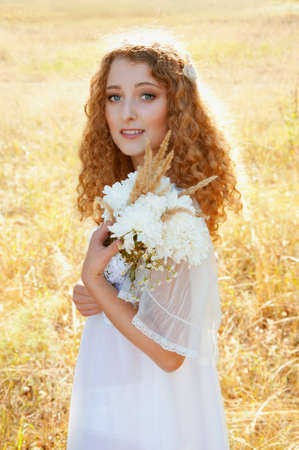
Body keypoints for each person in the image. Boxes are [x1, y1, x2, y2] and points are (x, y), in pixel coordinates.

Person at [67, 29, 242, 450]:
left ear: (177, 108)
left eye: (147, 95)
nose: (127, 113)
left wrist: (95, 282)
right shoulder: (132, 194)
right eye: (114, 97)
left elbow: (169, 354)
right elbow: (138, 297)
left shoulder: (174, 211)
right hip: (114, 381)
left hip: (152, 404)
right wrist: (97, 292)